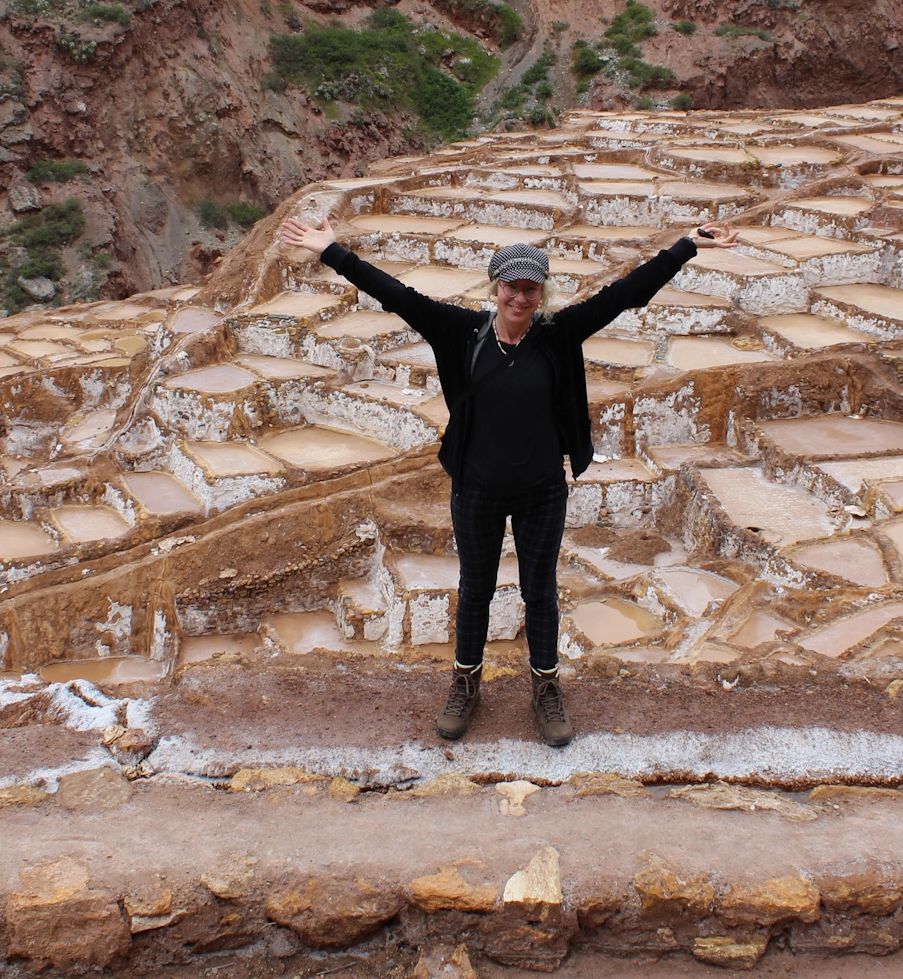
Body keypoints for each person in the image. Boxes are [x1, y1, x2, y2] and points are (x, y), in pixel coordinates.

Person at [277, 212, 739, 747]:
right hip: (476, 488)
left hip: (542, 488)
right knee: (475, 590)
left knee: (539, 592)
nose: (520, 298)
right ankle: (465, 684)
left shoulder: (558, 337)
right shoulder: (460, 334)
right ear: (496, 287)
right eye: (511, 286)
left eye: (530, 288)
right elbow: (396, 295)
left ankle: (546, 688)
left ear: (541, 293)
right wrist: (332, 250)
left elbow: (624, 295)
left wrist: (685, 246)